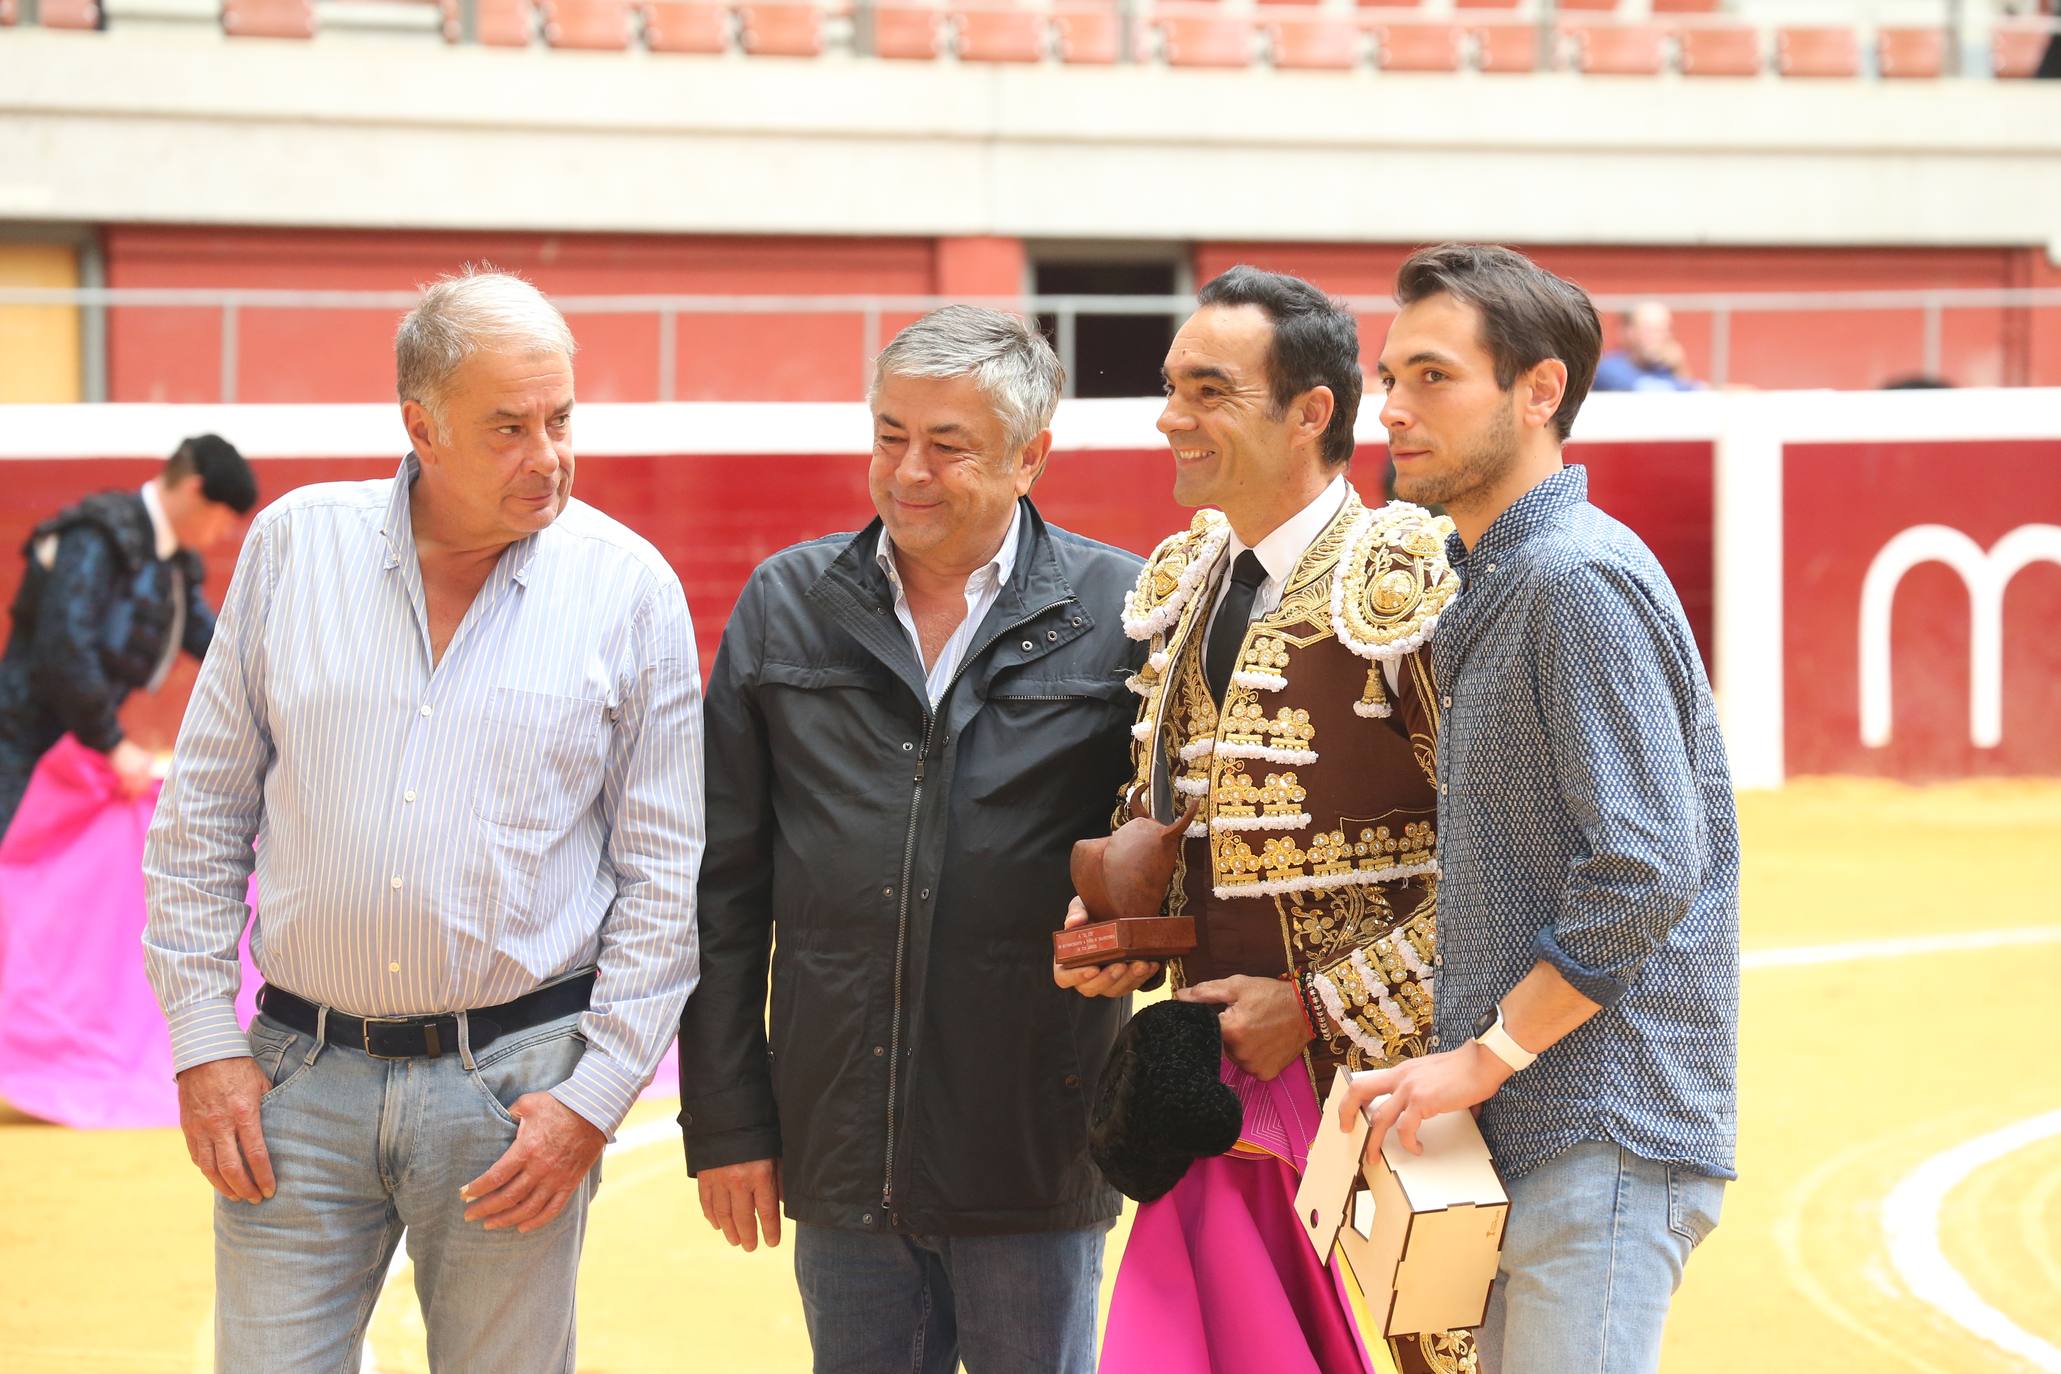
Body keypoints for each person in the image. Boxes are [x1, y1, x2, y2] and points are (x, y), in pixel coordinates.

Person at [141, 269, 704, 1372]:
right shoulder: (295, 548)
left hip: (519, 1097)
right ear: (421, 426)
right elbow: (201, 814)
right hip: (296, 1084)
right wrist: (204, 1046)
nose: (548, 455)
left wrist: (591, 1099)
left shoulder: (630, 588)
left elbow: (664, 873)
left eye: (560, 418)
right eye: (508, 427)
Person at [677, 306, 1144, 1374]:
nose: (908, 472)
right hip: (837, 1151)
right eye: (890, 434)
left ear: (1032, 456)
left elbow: (1172, 857)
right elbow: (722, 892)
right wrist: (730, 1122)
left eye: (948, 444)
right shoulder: (784, 606)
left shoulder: (1126, 614)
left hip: (1035, 1148)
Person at [1058, 265, 1473, 1374]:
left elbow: (1504, 862)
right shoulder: (1189, 577)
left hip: (1407, 1088)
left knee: (1452, 1356)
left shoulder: (1410, 575)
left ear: (1311, 412)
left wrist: (1320, 1005)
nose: (1169, 417)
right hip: (1227, 1092)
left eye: (1206, 390)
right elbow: (1187, 814)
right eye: (1170, 386)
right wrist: (1123, 932)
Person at [1339, 243, 1738, 1374]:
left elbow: (1648, 865)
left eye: (1432, 377)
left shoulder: (1572, 578)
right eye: (1390, 377)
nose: (1396, 409)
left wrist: (1486, 1054)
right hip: (1547, 1127)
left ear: (1541, 389)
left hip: (1595, 1125)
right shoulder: (1505, 573)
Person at [0, 434, 256, 837]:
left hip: (75, 742)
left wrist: (264, 671)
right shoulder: (96, 535)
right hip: (21, 740)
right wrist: (113, 743)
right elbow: (65, 645)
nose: (222, 533)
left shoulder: (173, 558)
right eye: (223, 519)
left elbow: (208, 637)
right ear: (195, 491)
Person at [1591, 301, 1702, 392]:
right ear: (1629, 332)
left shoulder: (1668, 369)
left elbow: (1692, 395)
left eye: (1663, 330)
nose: (1659, 336)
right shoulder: (1608, 369)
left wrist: (1680, 367)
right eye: (1649, 329)